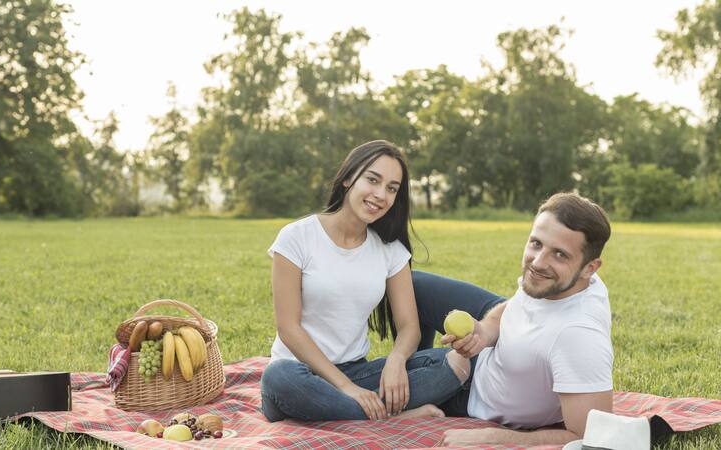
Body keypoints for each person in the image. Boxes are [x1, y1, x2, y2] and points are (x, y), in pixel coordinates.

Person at [260, 140, 468, 422]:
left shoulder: (390, 250)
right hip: (301, 374)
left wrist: (396, 360)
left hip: (358, 373)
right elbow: (288, 328)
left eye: (392, 188)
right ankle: (387, 417)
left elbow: (409, 327)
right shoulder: (296, 237)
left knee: (453, 362)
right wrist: (346, 388)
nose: (381, 195)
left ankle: (356, 412)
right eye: (373, 180)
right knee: (278, 376)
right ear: (348, 178)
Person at [412, 192, 613, 446]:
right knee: (413, 284)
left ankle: (419, 397)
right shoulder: (557, 281)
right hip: (488, 356)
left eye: (559, 254)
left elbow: (592, 438)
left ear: (590, 268)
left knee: (357, 400)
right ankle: (415, 373)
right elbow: (515, 305)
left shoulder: (578, 336)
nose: (538, 263)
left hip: (470, 396)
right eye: (536, 244)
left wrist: (494, 437)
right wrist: (484, 331)